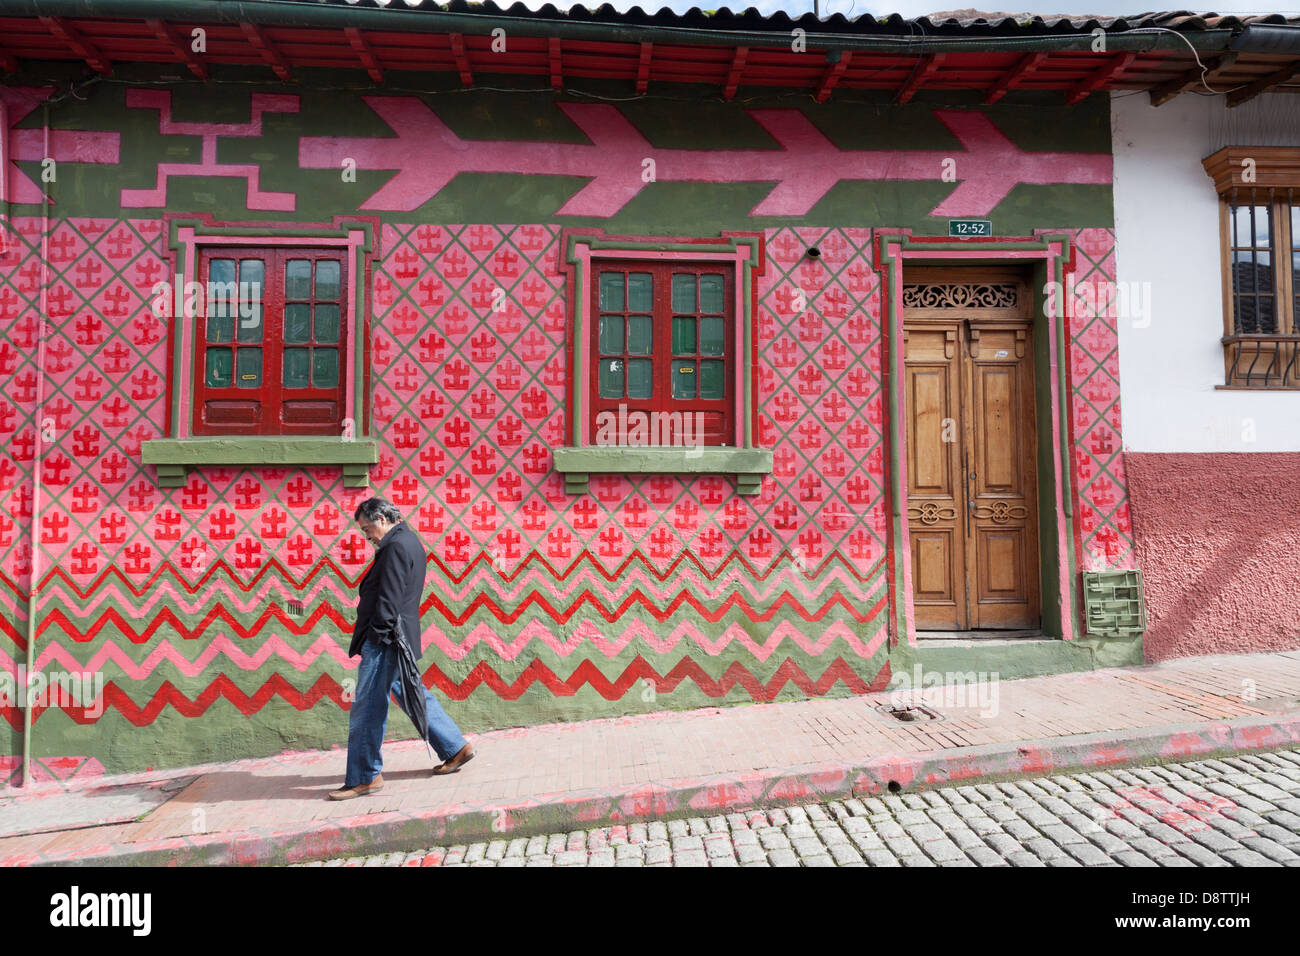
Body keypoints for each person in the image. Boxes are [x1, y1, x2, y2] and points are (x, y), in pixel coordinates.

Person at [329, 497, 475, 800]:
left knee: (367, 708)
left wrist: (377, 636)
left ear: (382, 518)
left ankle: (364, 776)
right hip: (399, 637)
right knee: (410, 691)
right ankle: (455, 747)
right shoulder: (408, 541)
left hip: (386, 640)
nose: (367, 536)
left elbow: (390, 598)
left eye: (368, 528)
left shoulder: (395, 547)